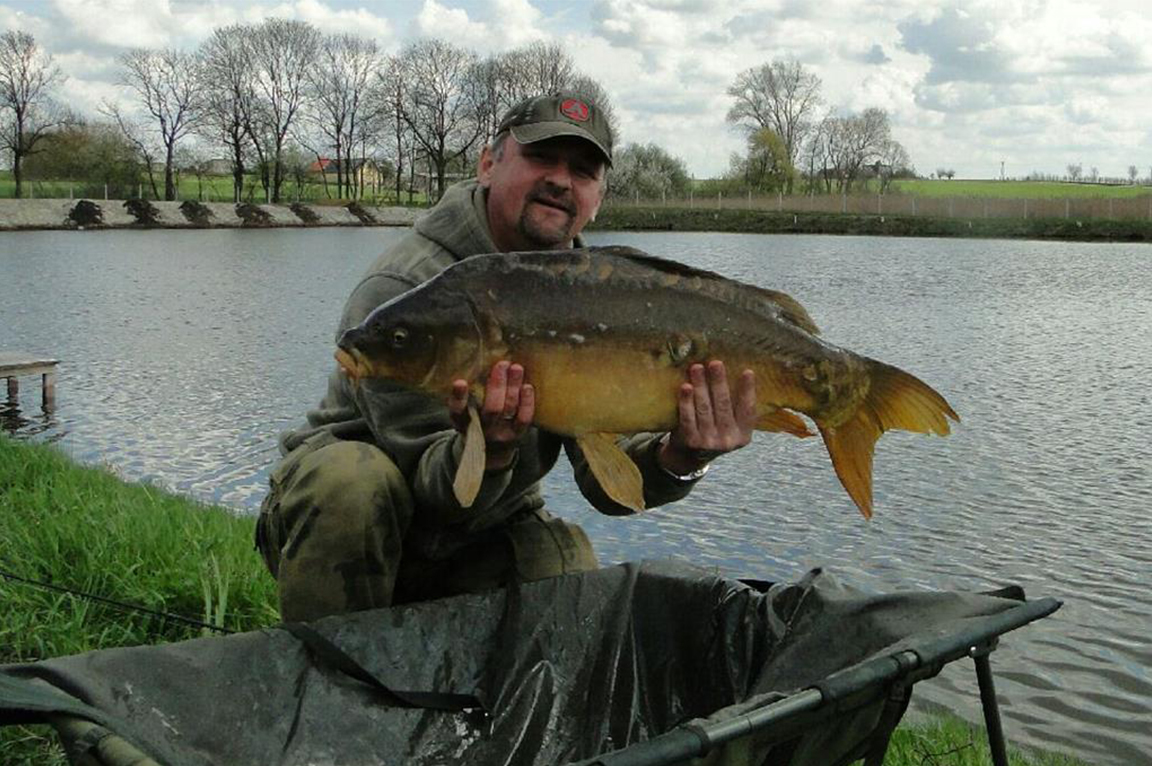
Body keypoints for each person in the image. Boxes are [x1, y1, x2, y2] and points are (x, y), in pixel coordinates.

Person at [255, 92, 757, 623]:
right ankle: (330, 666)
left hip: (487, 520)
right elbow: (431, 487)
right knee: (352, 482)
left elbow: (608, 489)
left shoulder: (594, 295)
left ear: (597, 200)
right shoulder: (408, 291)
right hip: (351, 519)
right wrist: (489, 452)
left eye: (582, 171)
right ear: (488, 165)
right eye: (541, 158)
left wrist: (683, 457)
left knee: (566, 571)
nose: (561, 180)